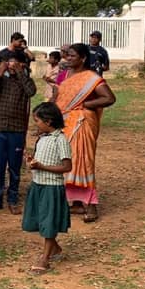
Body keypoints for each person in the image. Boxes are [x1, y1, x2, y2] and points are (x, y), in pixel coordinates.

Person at [55, 43, 116, 223]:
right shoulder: (65, 75)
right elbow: (58, 98)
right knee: (67, 160)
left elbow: (109, 98)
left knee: (84, 161)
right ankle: (76, 203)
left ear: (82, 58)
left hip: (82, 123)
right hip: (65, 124)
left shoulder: (91, 77)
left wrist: (86, 105)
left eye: (73, 56)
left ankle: (91, 206)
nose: (68, 58)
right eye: (67, 55)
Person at [22, 102, 72, 274]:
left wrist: (43, 167)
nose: (36, 124)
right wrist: (32, 161)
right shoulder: (42, 138)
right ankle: (54, 248)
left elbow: (67, 166)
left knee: (49, 220)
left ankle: (45, 258)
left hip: (52, 187)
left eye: (38, 121)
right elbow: (40, 161)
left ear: (49, 121)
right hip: (38, 184)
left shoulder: (61, 140)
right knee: (39, 218)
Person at [0, 48, 37, 213]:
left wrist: (20, 72)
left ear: (22, 63)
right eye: (9, 62)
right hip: (0, 128)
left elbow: (31, 92)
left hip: (17, 129)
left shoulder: (26, 81)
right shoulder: (3, 81)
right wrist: (0, 73)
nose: (11, 65)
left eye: (14, 61)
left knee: (15, 167)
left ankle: (13, 199)